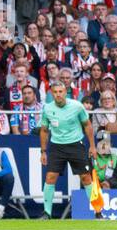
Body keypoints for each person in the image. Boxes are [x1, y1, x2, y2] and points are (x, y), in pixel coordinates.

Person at [39, 79, 100, 219]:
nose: (58, 94)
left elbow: (88, 125)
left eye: (61, 92)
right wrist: (43, 151)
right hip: (56, 147)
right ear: (51, 93)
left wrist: (92, 146)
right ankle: (47, 213)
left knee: (86, 178)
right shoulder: (47, 108)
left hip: (75, 145)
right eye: (55, 92)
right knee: (50, 177)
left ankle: (98, 211)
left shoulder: (77, 106)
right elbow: (44, 130)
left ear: (66, 92)